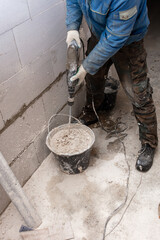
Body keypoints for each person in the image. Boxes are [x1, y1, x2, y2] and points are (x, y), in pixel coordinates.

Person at [65, 0, 158, 172]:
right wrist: (72, 27)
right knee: (93, 78)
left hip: (128, 41)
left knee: (138, 92)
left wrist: (86, 66)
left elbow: (116, 37)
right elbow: (73, 2)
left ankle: (149, 142)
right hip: (100, 34)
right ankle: (93, 110)